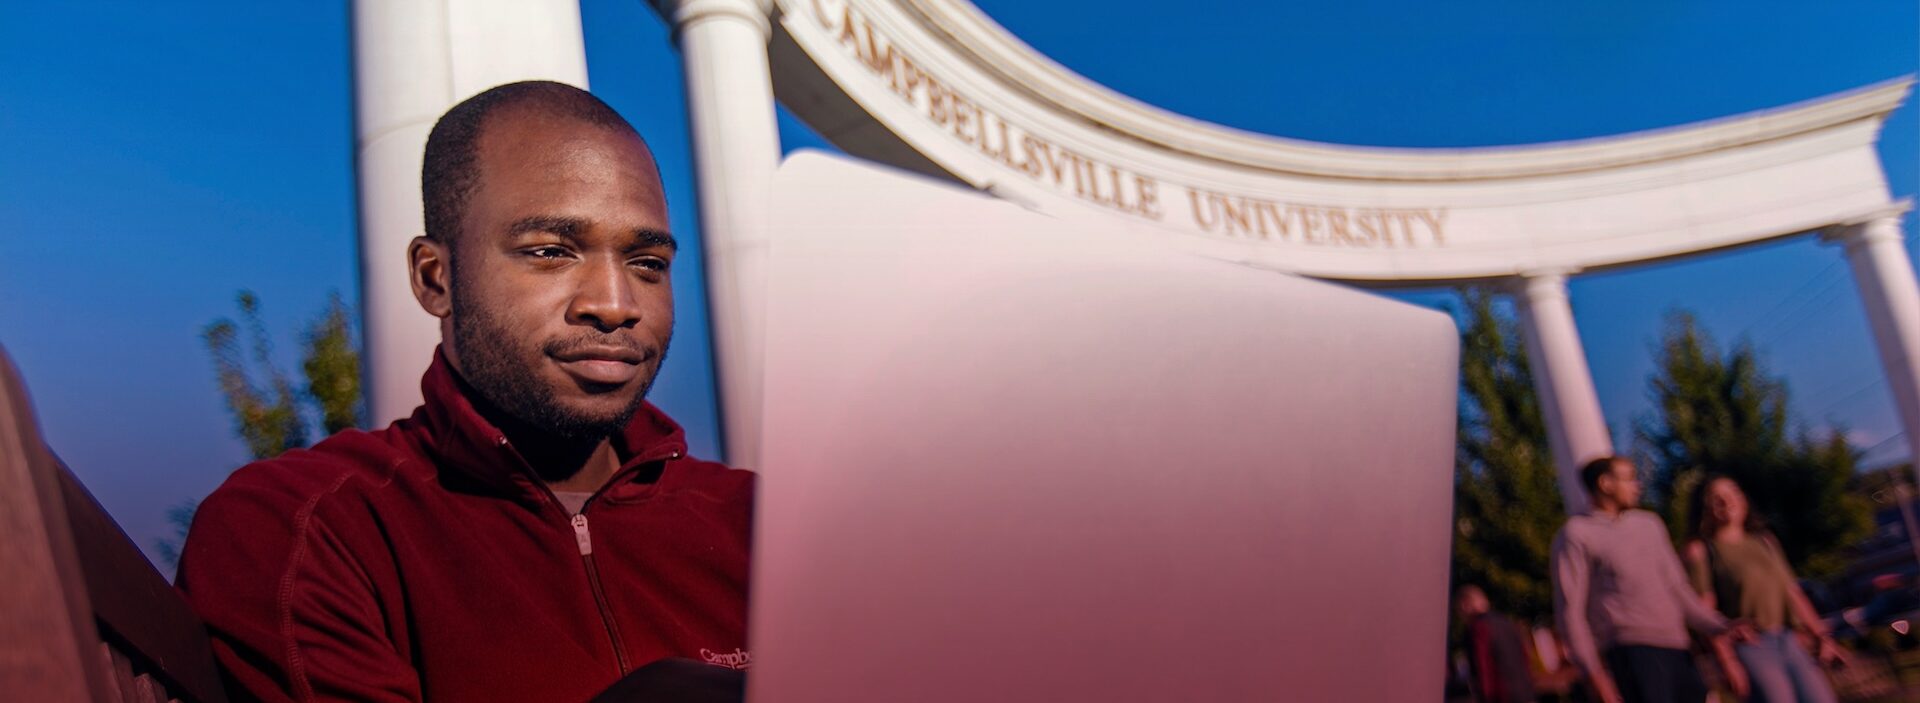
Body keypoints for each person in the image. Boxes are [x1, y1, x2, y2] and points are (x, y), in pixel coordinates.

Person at [177, 81, 754, 702]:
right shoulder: (304, 527)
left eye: (648, 264)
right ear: (435, 278)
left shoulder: (764, 527)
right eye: (551, 252)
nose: (614, 306)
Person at [1552, 456, 1738, 703]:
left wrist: (1720, 625)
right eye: (1629, 478)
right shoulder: (1576, 534)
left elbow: (1678, 588)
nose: (1637, 485)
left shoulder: (1650, 524)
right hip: (1631, 653)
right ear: (1606, 483)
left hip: (1678, 647)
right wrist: (1595, 675)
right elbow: (1570, 612)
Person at [1682, 474, 1844, 703]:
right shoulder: (1701, 551)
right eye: (1716, 498)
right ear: (1705, 508)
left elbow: (1792, 591)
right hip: (1751, 646)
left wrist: (1822, 636)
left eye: (1733, 493)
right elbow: (1704, 612)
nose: (1727, 502)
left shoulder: (1765, 541)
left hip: (1788, 639)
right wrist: (1727, 661)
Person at [1454, 585, 1539, 703]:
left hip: (1501, 694)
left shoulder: (1478, 627)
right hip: (1524, 692)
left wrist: (1485, 696)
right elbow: (1525, 656)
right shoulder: (1507, 622)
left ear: (1465, 604)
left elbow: (1482, 666)